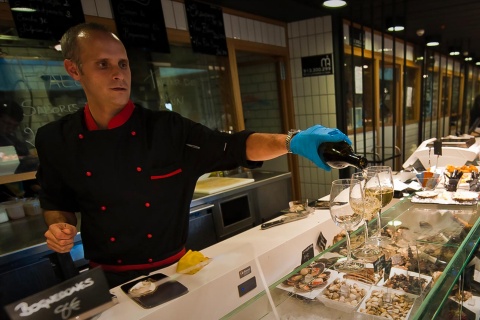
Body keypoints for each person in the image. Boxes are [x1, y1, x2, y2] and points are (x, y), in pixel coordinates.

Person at [36, 23, 350, 288]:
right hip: (106, 281)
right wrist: (58, 226)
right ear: (73, 70)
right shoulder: (54, 139)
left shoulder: (167, 129)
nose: (118, 74)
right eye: (103, 64)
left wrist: (292, 141)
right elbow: (56, 201)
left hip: (172, 271)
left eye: (123, 64)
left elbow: (234, 146)